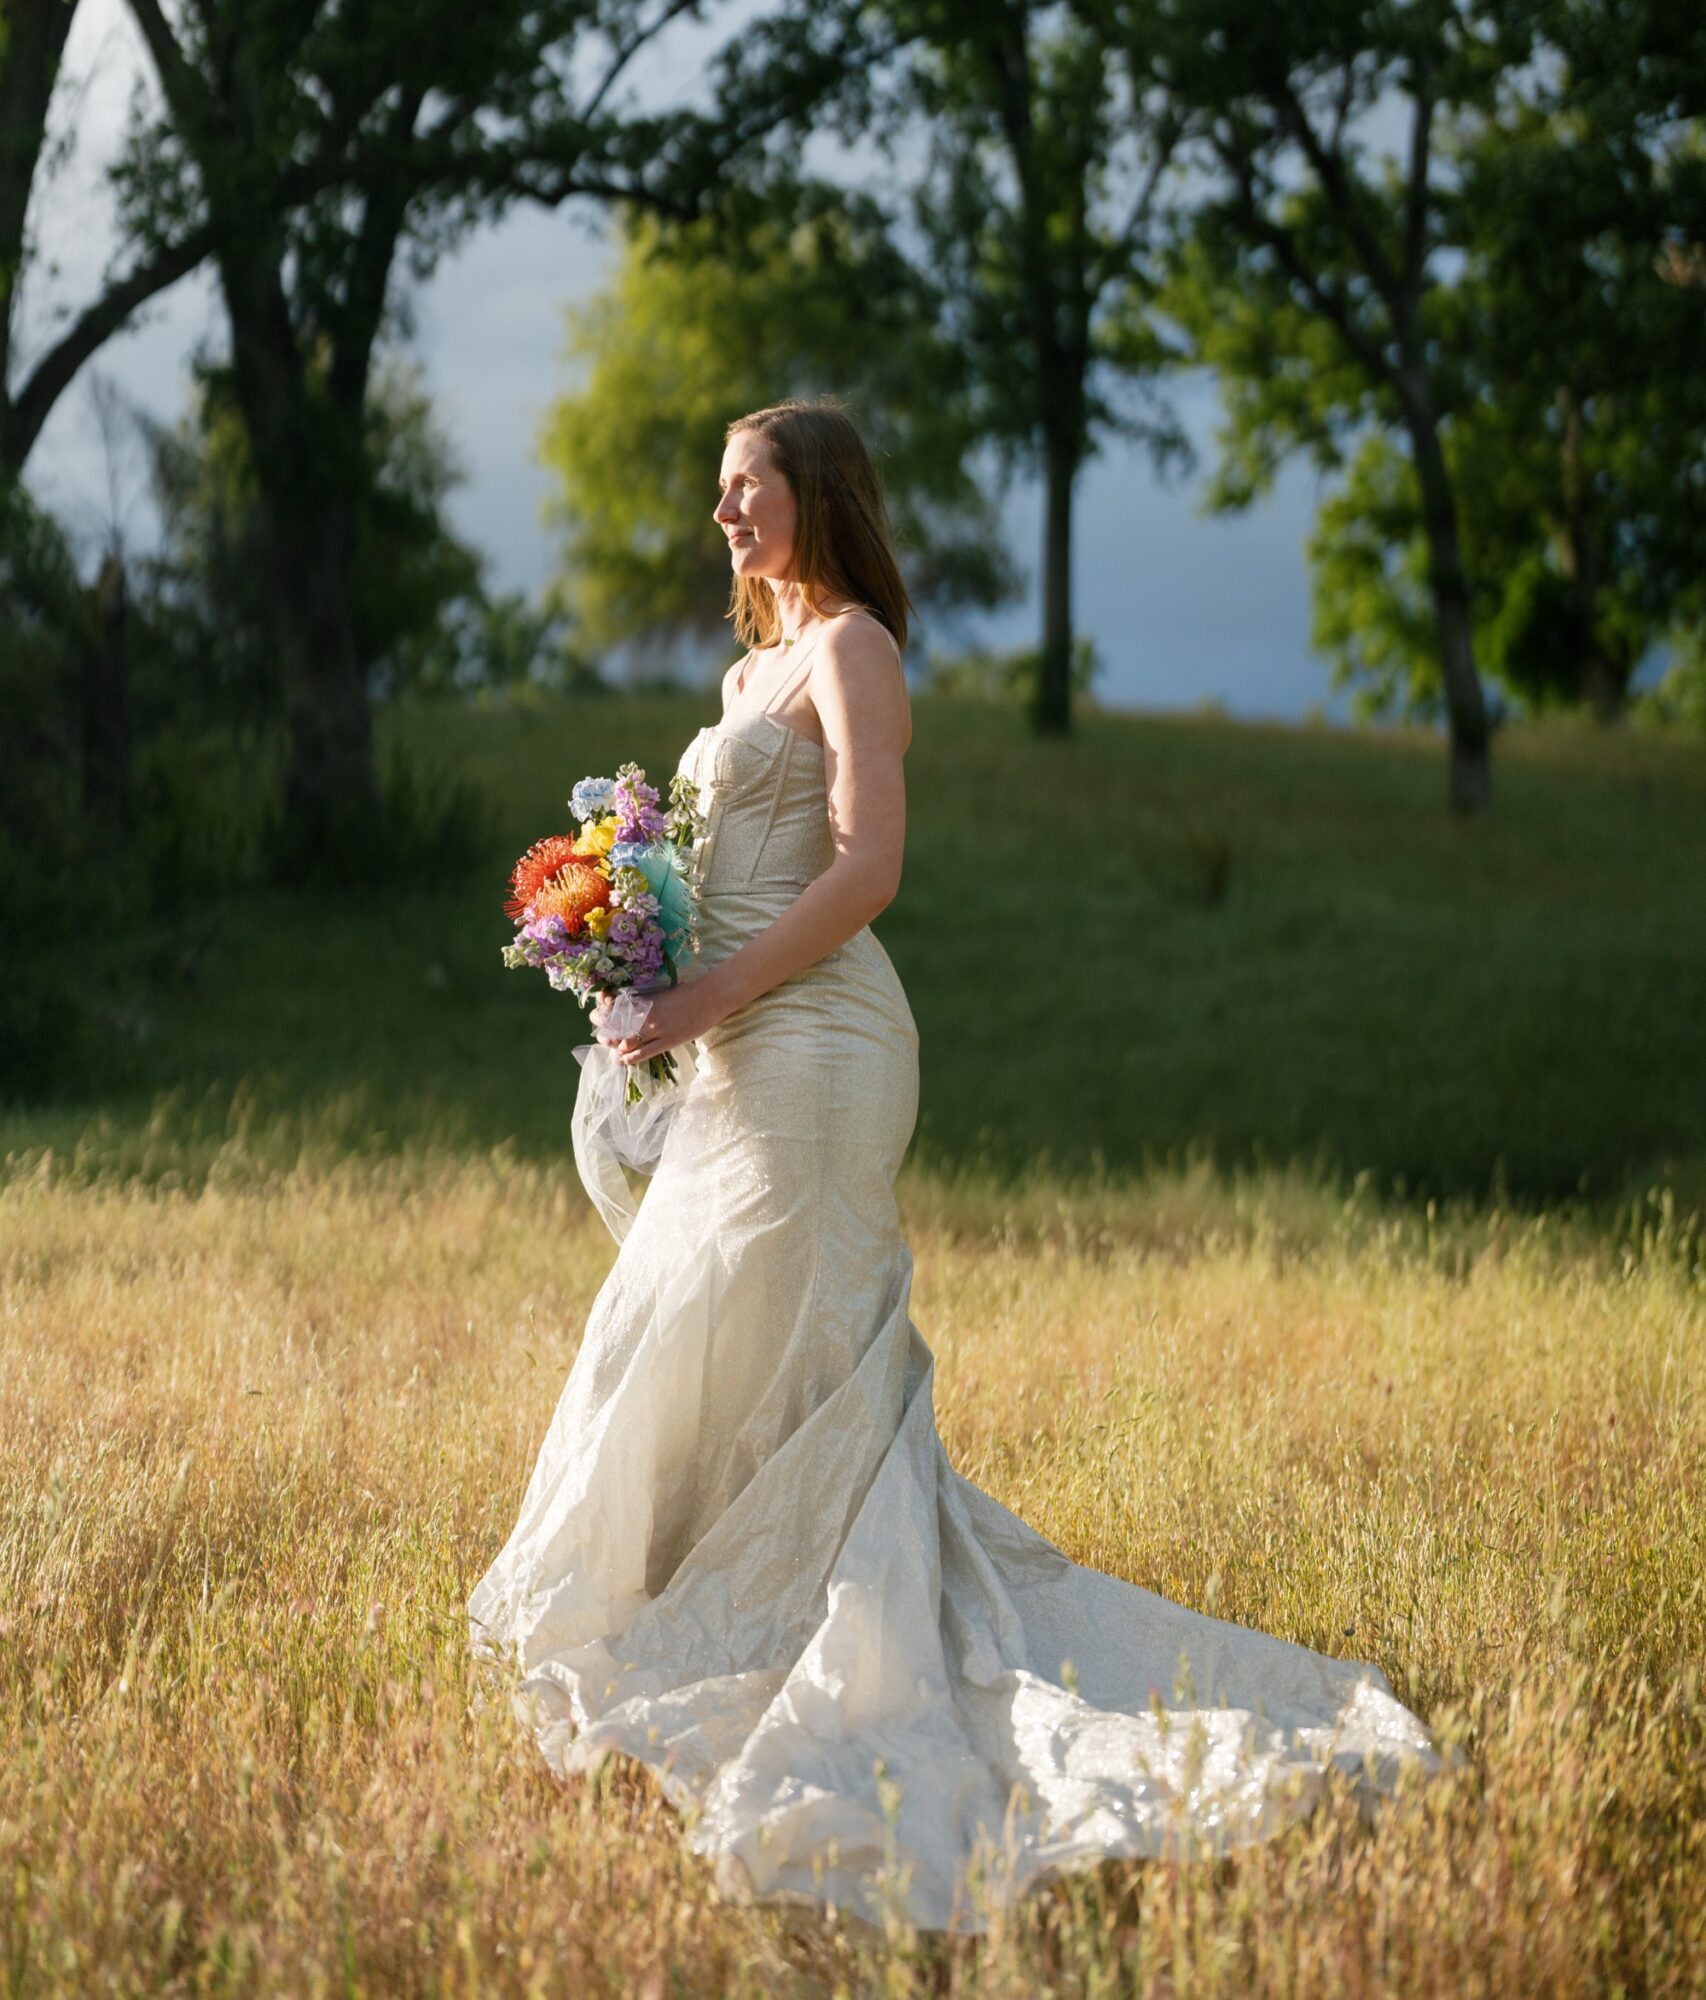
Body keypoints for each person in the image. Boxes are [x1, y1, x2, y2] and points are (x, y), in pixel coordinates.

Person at [467, 397, 1445, 1934]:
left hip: (824, 1050)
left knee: (768, 1324)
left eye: (751, 489)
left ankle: (816, 1645)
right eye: (719, 491)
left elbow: (869, 866)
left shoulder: (853, 648)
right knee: (703, 1332)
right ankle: (706, 1616)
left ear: (819, 497)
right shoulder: (742, 671)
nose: (725, 513)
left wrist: (713, 991)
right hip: (730, 1051)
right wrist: (625, 947)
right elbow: (717, 870)